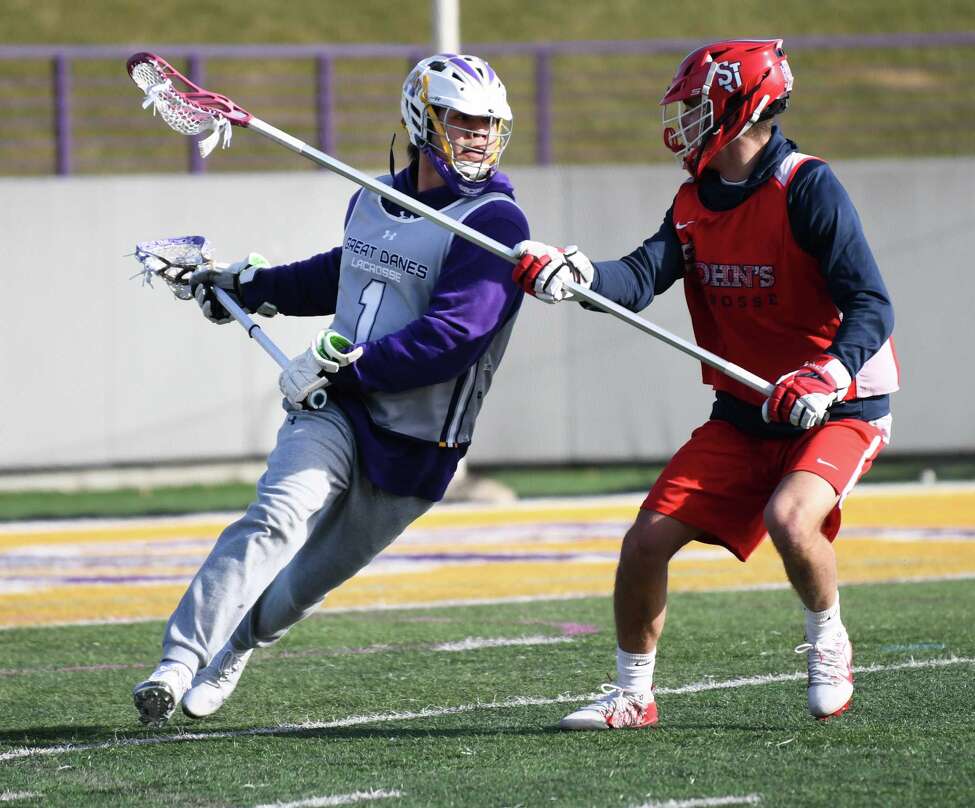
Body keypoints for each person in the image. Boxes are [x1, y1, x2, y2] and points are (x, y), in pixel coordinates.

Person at [132, 53, 529, 726]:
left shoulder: (494, 223)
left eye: (488, 125)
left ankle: (235, 649)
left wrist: (348, 364)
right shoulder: (372, 195)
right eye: (461, 121)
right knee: (275, 515)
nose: (476, 137)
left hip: (418, 438)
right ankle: (176, 662)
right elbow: (339, 276)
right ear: (421, 118)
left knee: (303, 585)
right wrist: (246, 286)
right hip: (337, 409)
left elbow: (453, 337)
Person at [513, 39, 898, 728]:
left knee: (790, 518)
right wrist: (576, 275)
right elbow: (636, 277)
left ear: (737, 104)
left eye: (696, 105)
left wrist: (825, 372)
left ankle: (827, 642)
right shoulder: (692, 200)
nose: (685, 119)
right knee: (645, 541)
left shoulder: (807, 187)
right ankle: (632, 695)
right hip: (744, 410)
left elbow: (870, 302)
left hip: (839, 404)